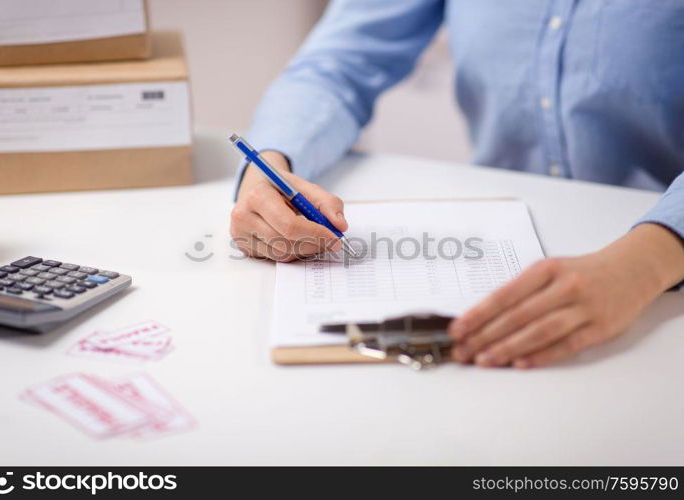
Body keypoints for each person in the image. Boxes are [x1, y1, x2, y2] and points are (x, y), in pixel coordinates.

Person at [230, 0, 684, 368]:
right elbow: (339, 63)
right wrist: (268, 166)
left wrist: (646, 263)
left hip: (661, 275)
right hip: (502, 237)